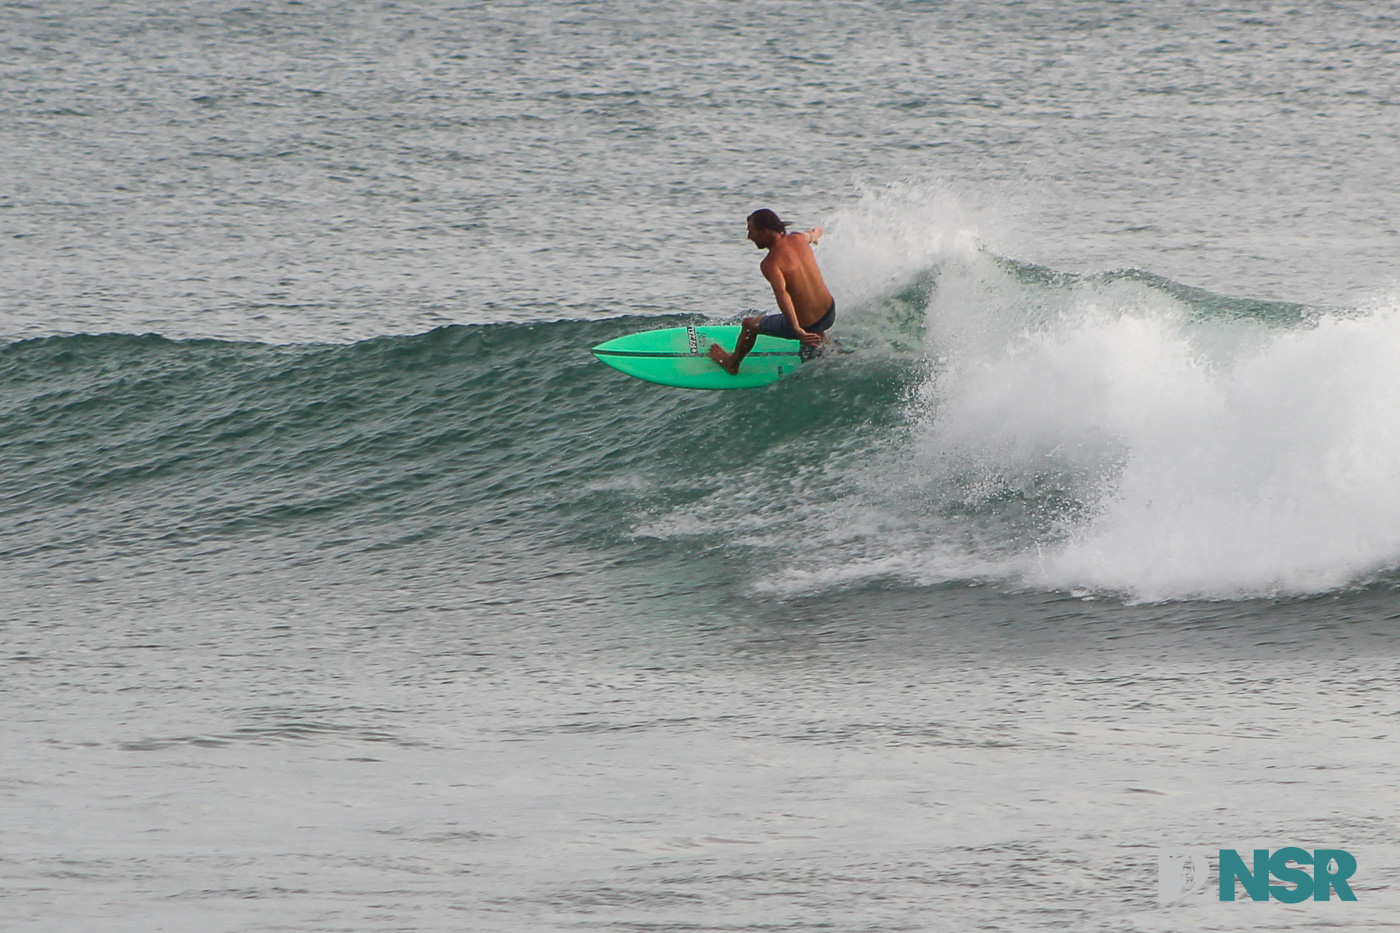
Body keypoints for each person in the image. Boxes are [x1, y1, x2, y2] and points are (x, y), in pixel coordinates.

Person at [708, 209, 836, 375]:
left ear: (765, 232)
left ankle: (731, 364)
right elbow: (812, 234)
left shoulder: (771, 263)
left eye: (751, 232)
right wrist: (816, 234)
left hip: (808, 325)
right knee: (811, 316)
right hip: (829, 313)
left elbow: (783, 295)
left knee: (749, 324)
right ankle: (823, 341)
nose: (749, 237)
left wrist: (797, 328)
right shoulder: (798, 238)